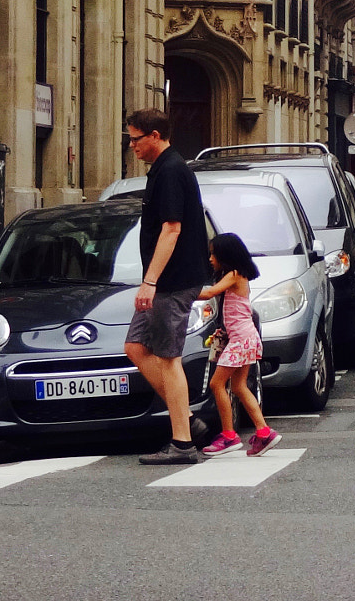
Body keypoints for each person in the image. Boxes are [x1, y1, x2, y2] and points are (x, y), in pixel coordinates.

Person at [121, 108, 212, 466]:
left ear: (155, 136)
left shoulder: (172, 171)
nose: (132, 145)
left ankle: (183, 443)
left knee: (168, 358)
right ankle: (186, 419)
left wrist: (150, 281)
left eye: (135, 138)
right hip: (166, 283)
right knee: (135, 346)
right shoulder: (164, 169)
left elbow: (171, 228)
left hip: (171, 282)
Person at [195, 232, 279, 458]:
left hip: (242, 339)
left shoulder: (234, 274)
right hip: (244, 338)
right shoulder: (235, 275)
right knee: (240, 387)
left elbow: (210, 292)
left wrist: (182, 292)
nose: (210, 259)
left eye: (213, 254)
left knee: (216, 384)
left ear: (226, 255)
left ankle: (229, 435)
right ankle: (264, 432)